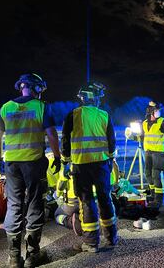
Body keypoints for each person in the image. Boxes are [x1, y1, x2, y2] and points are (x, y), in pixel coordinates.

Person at [0, 73, 61, 268]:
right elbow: (51, 135)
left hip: (12, 164)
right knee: (34, 204)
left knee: (14, 204)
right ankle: (33, 255)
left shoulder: (6, 107)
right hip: (33, 162)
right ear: (36, 88)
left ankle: (13, 258)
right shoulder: (41, 106)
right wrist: (57, 157)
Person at [61, 82, 118, 253]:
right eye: (99, 97)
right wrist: (110, 159)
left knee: (87, 202)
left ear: (84, 98)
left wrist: (65, 162)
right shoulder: (104, 115)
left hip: (81, 166)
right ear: (94, 97)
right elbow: (111, 143)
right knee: (105, 200)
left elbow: (65, 140)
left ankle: (91, 243)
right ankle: (111, 238)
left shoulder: (73, 115)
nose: (100, 100)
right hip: (101, 165)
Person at [142, 101, 164, 209]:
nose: (158, 112)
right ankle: (153, 195)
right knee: (148, 174)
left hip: (158, 153)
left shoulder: (162, 122)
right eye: (156, 110)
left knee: (156, 175)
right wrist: (131, 136)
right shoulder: (144, 123)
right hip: (148, 152)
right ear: (151, 112)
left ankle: (159, 199)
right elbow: (143, 137)